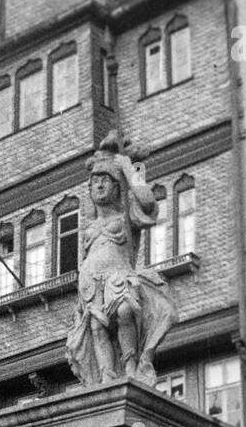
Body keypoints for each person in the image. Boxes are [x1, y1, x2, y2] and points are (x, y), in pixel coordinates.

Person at [66, 132, 176, 389]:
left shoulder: (127, 217)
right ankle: (106, 374)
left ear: (117, 187)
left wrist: (129, 168)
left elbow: (148, 202)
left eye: (106, 180)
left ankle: (130, 364)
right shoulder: (91, 225)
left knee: (125, 311)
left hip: (119, 276)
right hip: (91, 284)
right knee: (96, 326)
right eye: (95, 182)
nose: (100, 186)